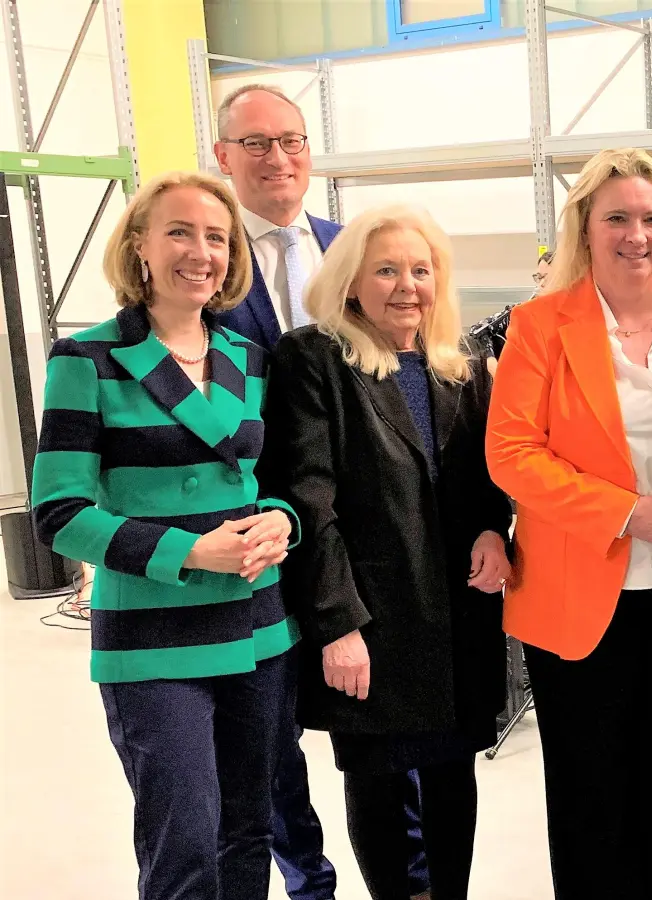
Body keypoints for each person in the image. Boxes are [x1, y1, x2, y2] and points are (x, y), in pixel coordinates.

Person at [31, 170, 298, 900]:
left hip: (259, 630)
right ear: (140, 246)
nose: (200, 251)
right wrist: (186, 551)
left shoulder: (247, 360)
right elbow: (57, 513)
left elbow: (272, 480)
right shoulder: (87, 360)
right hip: (155, 642)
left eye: (216, 236)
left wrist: (283, 520)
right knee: (183, 848)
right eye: (179, 231)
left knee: (249, 833)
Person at [485, 148, 652, 900]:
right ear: (586, 230)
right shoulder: (539, 326)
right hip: (580, 593)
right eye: (618, 218)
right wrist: (631, 513)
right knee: (591, 790)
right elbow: (511, 453)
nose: (637, 235)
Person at [212, 82, 431, 900]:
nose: (280, 158)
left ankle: (407, 878)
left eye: (293, 141)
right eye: (259, 143)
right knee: (271, 738)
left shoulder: (358, 247)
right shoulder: (207, 257)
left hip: (355, 534)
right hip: (250, 535)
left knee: (384, 721)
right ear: (224, 156)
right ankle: (309, 881)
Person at [259, 205, 513, 900]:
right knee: (376, 778)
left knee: (453, 775)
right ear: (350, 281)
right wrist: (338, 624)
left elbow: (488, 480)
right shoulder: (314, 358)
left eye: (422, 270)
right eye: (388, 269)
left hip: (457, 614)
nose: (408, 285)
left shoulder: (460, 367)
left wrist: (495, 529)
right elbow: (308, 500)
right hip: (371, 619)